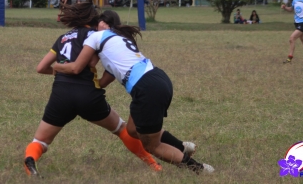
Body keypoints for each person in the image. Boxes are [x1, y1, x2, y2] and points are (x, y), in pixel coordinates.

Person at [54, 10, 214, 175]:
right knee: (132, 129)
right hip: (157, 79)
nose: (94, 27)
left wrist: (57, 67)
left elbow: (77, 67)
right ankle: (181, 147)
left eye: (98, 22)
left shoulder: (96, 36)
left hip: (147, 88)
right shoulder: (117, 40)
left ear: (105, 24)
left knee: (152, 146)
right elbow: (101, 83)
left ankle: (199, 169)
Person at [24, 3, 163, 177]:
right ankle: (153, 164)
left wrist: (58, 70)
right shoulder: (96, 35)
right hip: (88, 94)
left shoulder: (62, 38)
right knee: (121, 129)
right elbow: (91, 63)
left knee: (41, 141)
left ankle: (30, 160)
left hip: (61, 94)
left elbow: (41, 68)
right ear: (92, 19)